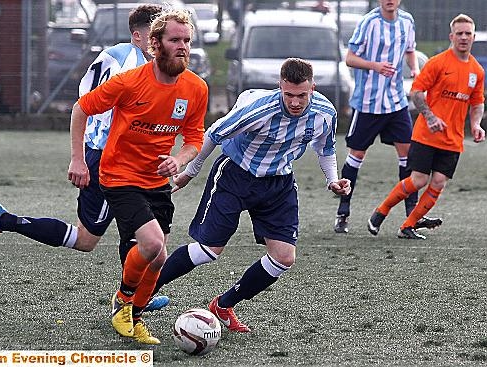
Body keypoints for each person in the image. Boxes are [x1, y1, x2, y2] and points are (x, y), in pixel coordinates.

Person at [0, 5, 169, 312]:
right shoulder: (129, 62)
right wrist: (80, 157)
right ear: (139, 35)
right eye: (158, 34)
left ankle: (134, 296)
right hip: (108, 157)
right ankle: (6, 219)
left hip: (122, 156)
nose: (163, 41)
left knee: (136, 229)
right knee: (87, 239)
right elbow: (86, 105)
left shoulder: (126, 58)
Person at [152, 58, 351, 332]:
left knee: (283, 257)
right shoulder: (259, 110)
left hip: (278, 184)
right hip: (236, 175)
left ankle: (222, 306)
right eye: (289, 95)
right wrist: (191, 171)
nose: (295, 102)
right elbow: (214, 133)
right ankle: (142, 291)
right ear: (280, 87)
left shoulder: (324, 112)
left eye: (302, 95)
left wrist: (332, 180)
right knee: (208, 250)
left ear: (312, 88)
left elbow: (325, 148)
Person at [70, 9, 207, 344]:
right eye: (175, 40)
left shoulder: (196, 88)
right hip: (119, 176)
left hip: (156, 182)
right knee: (153, 243)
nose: (182, 46)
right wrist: (78, 159)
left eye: (187, 40)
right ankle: (122, 302)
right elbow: (81, 108)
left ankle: (137, 314)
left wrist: (180, 159)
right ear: (155, 44)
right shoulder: (129, 82)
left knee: (158, 257)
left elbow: (195, 138)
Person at [367, 13, 485, 239]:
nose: (463, 37)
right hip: (426, 135)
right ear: (451, 36)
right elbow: (416, 92)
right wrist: (430, 117)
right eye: (459, 33)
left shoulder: (477, 71)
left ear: (473, 37)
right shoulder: (438, 63)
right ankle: (381, 212)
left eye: (467, 33)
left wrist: (476, 124)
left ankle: (407, 226)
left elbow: (477, 102)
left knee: (439, 183)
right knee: (418, 180)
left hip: (453, 139)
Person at [334, 0, 442, 234]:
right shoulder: (368, 22)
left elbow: (410, 50)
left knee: (408, 156)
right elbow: (350, 58)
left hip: (396, 103)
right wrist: (374, 66)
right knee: (357, 156)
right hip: (368, 103)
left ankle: (410, 219)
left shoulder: (407, 21)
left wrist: (415, 69)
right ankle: (343, 212)